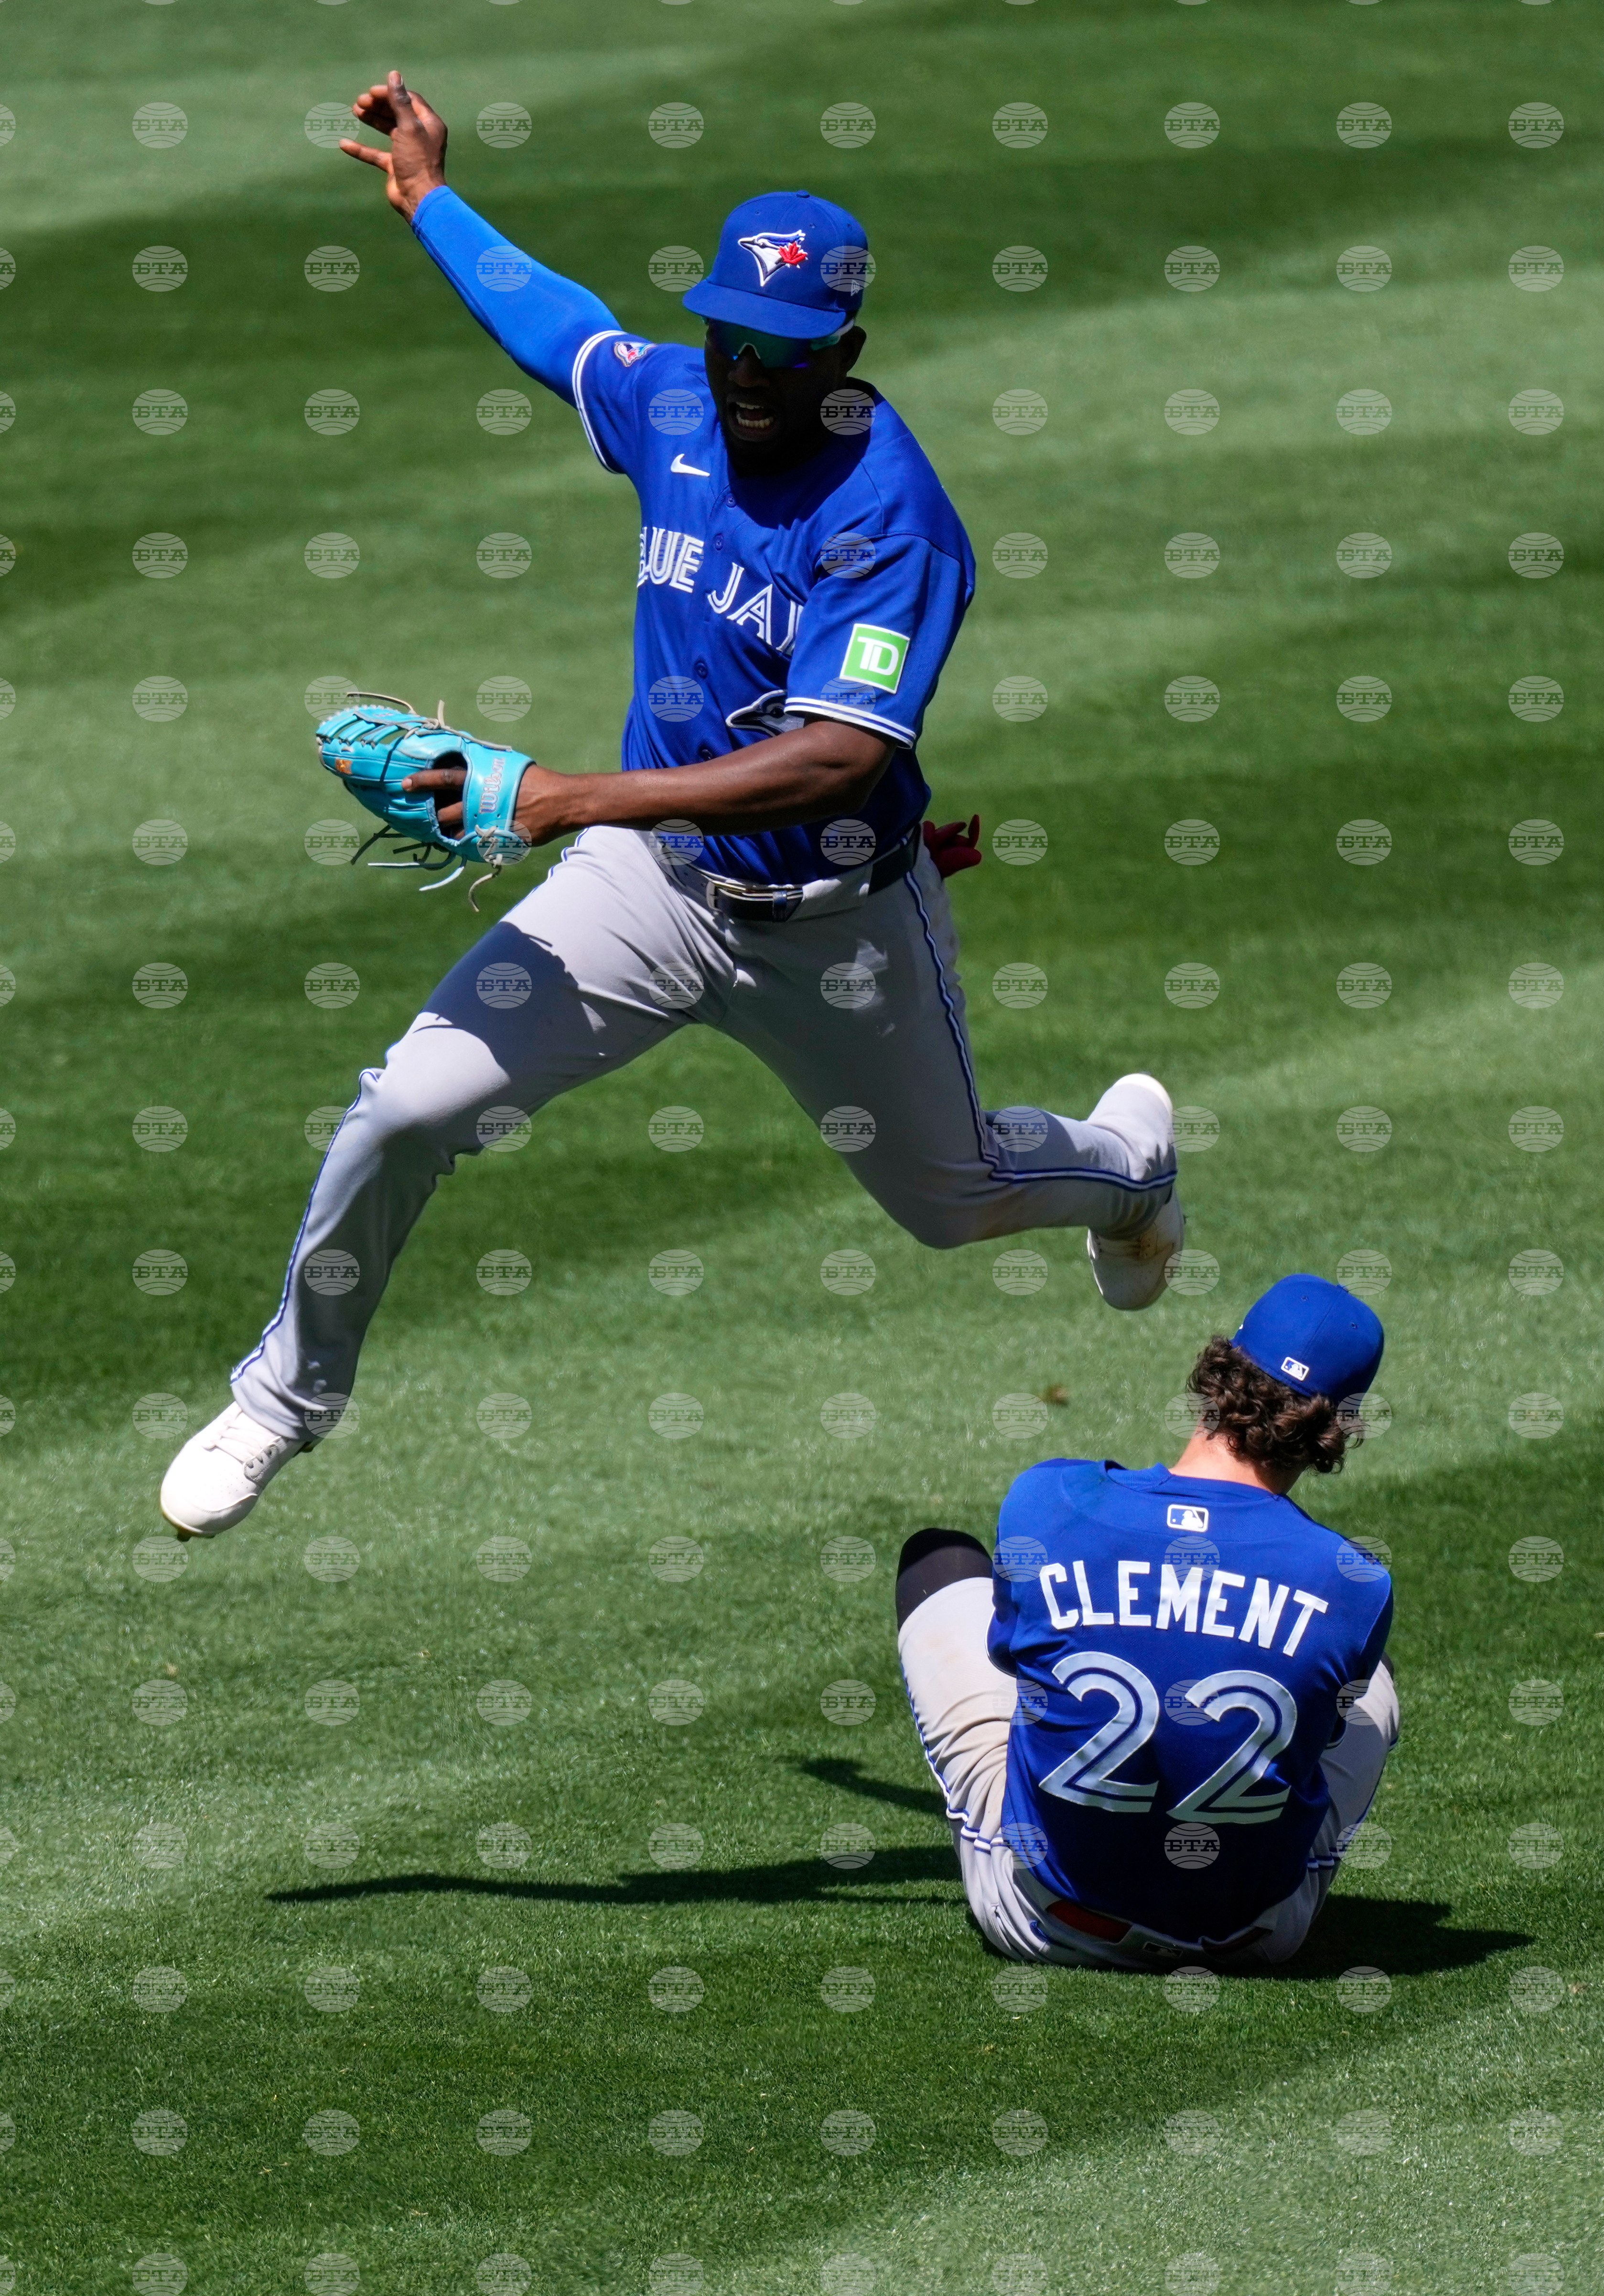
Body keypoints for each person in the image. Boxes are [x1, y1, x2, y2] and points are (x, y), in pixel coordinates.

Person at [160, 69, 1183, 1540]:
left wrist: (574, 794)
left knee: (954, 1201)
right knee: (405, 1107)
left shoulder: (887, 517)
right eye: (727, 340)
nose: (744, 375)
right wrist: (431, 200)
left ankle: (1128, 1166)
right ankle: (279, 1402)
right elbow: (560, 327)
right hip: (648, 889)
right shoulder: (676, 403)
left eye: (777, 352)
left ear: (843, 345)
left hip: (831, 925)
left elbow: (838, 754)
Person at [894, 1276, 1398, 1971]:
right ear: (1333, 1430)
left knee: (940, 1559)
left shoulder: (1049, 1501)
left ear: (1217, 1370)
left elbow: (1010, 1658)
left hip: (1045, 1923)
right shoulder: (1352, 1581)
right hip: (1253, 1940)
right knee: (1368, 1684)